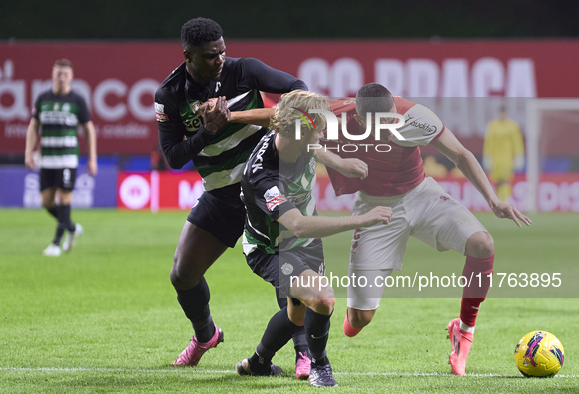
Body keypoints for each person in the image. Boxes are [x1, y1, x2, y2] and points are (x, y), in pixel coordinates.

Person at [319, 83, 531, 376]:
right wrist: (235, 117)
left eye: (394, 114)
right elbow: (281, 119)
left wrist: (494, 201)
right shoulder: (335, 114)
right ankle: (355, 311)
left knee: (483, 243)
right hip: (375, 208)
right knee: (358, 321)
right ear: (362, 120)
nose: (395, 122)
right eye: (387, 121)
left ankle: (464, 329)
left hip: (422, 195)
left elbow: (462, 155)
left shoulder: (417, 117)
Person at [154, 17, 310, 371]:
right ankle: (206, 334)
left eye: (223, 50)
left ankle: (304, 353)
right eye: (210, 55)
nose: (220, 59)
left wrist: (241, 116)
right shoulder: (170, 95)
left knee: (290, 269)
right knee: (182, 274)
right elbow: (174, 157)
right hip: (221, 195)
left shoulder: (245, 71)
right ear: (188, 56)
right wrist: (207, 132)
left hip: (264, 185)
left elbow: (299, 89)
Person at [237, 90, 392, 387]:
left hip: (305, 246)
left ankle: (258, 362)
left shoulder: (296, 138)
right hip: (271, 248)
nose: (323, 134)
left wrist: (340, 163)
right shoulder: (261, 177)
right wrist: (363, 219)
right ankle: (321, 366)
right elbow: (299, 226)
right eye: (318, 130)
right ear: (299, 133)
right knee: (322, 299)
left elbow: (312, 146)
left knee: (297, 315)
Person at [24, 59, 97, 257]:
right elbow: (33, 126)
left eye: (65, 74)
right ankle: (71, 227)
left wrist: (92, 158)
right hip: (46, 159)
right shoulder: (42, 98)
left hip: (67, 159)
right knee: (46, 202)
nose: (62, 77)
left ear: (71, 77)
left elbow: (88, 128)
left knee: (64, 198)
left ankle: (56, 243)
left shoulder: (77, 100)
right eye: (59, 73)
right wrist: (28, 151)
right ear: (52, 75)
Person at [483, 106, 525, 203]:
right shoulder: (492, 125)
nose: (502, 115)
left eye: (503, 113)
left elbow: (517, 142)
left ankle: (506, 200)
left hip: (507, 158)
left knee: (505, 180)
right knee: (495, 180)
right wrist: (487, 156)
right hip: (495, 158)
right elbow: (488, 142)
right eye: (500, 113)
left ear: (506, 113)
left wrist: (519, 155)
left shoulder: (512, 126)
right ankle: (496, 201)